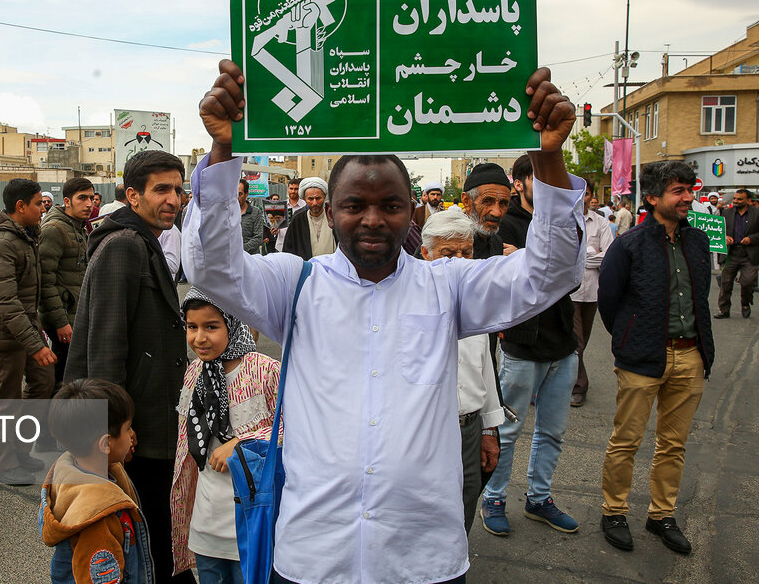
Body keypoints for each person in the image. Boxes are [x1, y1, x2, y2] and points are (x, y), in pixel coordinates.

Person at [188, 60, 583, 583]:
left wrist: (549, 157)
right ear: (329, 212)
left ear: (411, 212)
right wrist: (222, 151)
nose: (373, 219)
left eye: (390, 205)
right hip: (315, 555)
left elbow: (551, 272)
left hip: (420, 557)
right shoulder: (295, 286)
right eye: (355, 205)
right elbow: (211, 266)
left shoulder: (448, 286)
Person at [65, 150, 191, 584]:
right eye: (161, 189)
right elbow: (104, 345)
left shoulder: (143, 240)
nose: (173, 198)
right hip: (134, 427)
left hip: (146, 419)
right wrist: (117, 428)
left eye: (177, 189)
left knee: (157, 529)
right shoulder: (123, 246)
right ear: (132, 196)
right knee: (147, 532)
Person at [598, 161, 715, 555]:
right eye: (678, 191)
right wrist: (633, 339)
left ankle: (661, 515)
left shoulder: (697, 241)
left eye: (688, 189)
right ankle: (613, 511)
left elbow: (701, 297)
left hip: (690, 357)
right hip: (642, 359)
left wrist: (698, 350)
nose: (687, 198)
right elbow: (609, 301)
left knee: (673, 444)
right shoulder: (629, 243)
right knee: (626, 440)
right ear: (652, 198)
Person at [480, 153, 580, 538]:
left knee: (552, 431)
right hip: (521, 345)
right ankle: (494, 499)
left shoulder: (559, 222)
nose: (549, 187)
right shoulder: (505, 224)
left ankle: (540, 498)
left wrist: (524, 259)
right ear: (520, 183)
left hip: (563, 344)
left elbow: (570, 276)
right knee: (507, 431)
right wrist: (528, 261)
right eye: (539, 179)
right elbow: (502, 279)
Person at [170, 289, 281, 583]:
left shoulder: (264, 371)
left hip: (252, 520)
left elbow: (297, 427)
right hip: (206, 520)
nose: (199, 338)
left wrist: (242, 444)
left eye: (211, 326)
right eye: (192, 327)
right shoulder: (194, 372)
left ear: (233, 322)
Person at [419, 208, 503, 534]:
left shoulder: (474, 297)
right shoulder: (404, 302)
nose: (459, 261)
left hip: (469, 428)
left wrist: (488, 430)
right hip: (426, 430)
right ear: (425, 254)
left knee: (467, 498)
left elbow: (483, 365)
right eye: (447, 253)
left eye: (466, 252)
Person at [0, 178, 57, 486]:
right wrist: (35, 345)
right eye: (38, 203)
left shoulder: (24, 235)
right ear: (20, 206)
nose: (43, 208)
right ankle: (4, 464)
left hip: (24, 330)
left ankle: (19, 451)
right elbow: (6, 302)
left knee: (42, 383)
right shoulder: (0, 243)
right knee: (6, 400)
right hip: (3, 335)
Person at [40, 379, 149, 584]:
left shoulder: (70, 472)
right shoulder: (98, 518)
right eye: (128, 428)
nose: (132, 435)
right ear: (106, 443)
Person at [40, 177, 94, 389]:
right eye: (82, 198)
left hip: (75, 314)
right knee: (63, 376)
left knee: (72, 373)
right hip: (63, 318)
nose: (89, 204)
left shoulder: (77, 226)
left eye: (91, 198)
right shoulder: (54, 229)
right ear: (67, 201)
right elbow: (45, 282)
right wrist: (60, 322)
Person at [570, 179, 615, 407]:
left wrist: (581, 257)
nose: (583, 198)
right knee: (576, 341)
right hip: (569, 293)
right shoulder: (566, 221)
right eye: (579, 194)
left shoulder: (601, 223)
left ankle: (565, 376)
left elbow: (608, 256)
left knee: (582, 341)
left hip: (592, 293)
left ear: (591, 196)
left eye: (587, 194)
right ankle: (579, 387)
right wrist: (590, 254)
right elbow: (564, 257)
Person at [715, 189, 759, 319]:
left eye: (739, 199)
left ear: (748, 201)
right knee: (726, 283)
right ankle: (724, 310)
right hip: (731, 253)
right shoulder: (726, 213)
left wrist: (752, 239)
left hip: (749, 255)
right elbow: (718, 230)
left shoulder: (756, 214)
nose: (735, 201)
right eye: (734, 199)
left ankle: (745, 304)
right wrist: (725, 237)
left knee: (747, 282)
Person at [460, 164, 512, 260]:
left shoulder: (496, 242)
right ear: (466, 201)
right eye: (487, 201)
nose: (497, 213)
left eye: (503, 203)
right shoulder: (450, 241)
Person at [281, 177, 337, 259]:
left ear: (324, 197)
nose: (315, 203)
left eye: (318, 198)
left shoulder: (333, 218)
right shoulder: (298, 220)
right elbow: (289, 250)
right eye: (310, 199)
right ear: (304, 199)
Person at [238, 178, 264, 255]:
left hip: (250, 258)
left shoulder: (255, 212)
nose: (236, 197)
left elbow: (258, 237)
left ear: (246, 194)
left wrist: (240, 250)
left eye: (240, 194)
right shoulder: (228, 213)